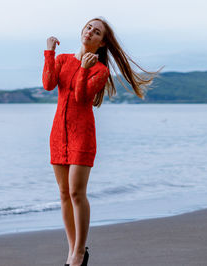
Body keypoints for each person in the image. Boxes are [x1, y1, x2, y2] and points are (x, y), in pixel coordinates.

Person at [42, 16, 162, 266]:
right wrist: (50, 53)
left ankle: (78, 253)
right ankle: (73, 251)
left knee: (76, 192)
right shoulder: (63, 59)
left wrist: (85, 69)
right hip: (58, 135)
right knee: (64, 194)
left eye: (96, 32)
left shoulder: (100, 70)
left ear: (102, 42)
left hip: (82, 135)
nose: (89, 32)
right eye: (88, 27)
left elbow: (81, 98)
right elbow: (48, 84)